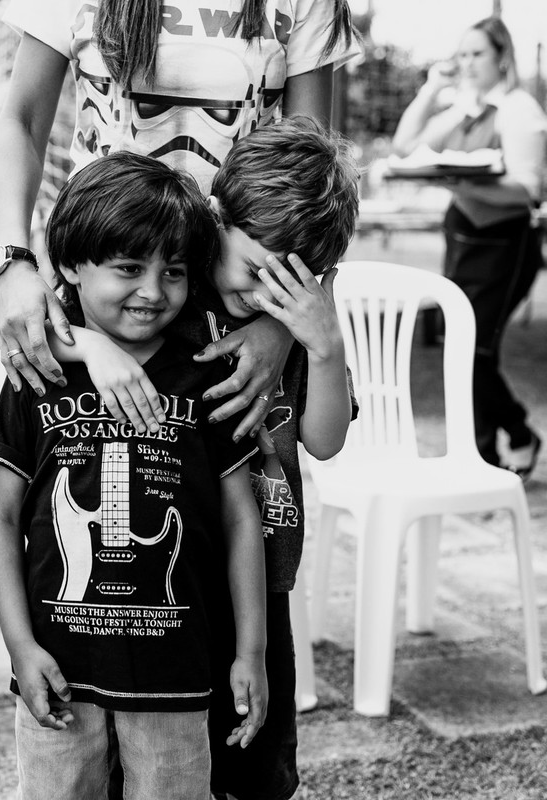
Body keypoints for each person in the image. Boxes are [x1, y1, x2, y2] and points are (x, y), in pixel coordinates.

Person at [62, 117, 359, 800]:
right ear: (215, 220)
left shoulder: (299, 324)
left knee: (254, 761)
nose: (262, 296)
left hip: (262, 585)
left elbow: (325, 440)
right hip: (160, 587)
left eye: (285, 286)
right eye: (255, 270)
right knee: (141, 764)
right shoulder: (167, 295)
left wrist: (323, 344)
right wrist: (92, 346)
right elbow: (68, 315)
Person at [0, 152, 269, 800]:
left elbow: (240, 517)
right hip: (57, 673)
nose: (153, 291)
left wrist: (251, 650)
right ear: (74, 265)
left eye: (173, 272)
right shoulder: (37, 374)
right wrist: (20, 648)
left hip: (180, 672)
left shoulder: (207, 373)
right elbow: (0, 517)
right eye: (129, 269)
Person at [0, 0, 361, 438]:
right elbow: (23, 121)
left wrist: (278, 325)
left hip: (242, 286)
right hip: (110, 276)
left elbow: (307, 163)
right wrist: (11, 263)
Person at [391, 16, 547, 477]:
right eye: (461, 54)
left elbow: (527, 190)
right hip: (462, 236)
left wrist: (459, 181)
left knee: (474, 350)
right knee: (461, 342)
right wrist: (430, 89)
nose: (467, 62)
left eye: (477, 53)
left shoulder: (519, 110)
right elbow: (405, 147)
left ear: (503, 57)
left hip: (506, 242)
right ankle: (497, 449)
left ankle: (503, 444)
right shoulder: (463, 107)